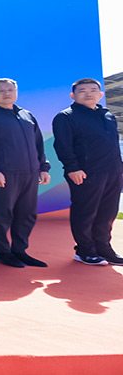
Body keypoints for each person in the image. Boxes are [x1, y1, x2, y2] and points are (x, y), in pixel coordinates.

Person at [0, 78, 51, 268]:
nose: (6, 93)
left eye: (10, 90)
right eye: (1, 90)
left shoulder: (27, 115)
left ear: (16, 92)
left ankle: (19, 251)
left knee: (27, 214)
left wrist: (43, 167)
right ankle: (2, 252)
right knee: (3, 214)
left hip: (31, 173)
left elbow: (38, 144)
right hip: (5, 174)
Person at [51, 78, 123, 266]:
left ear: (100, 94)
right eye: (82, 90)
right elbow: (63, 146)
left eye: (93, 90)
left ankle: (104, 248)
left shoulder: (107, 115)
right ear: (73, 95)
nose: (88, 93)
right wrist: (72, 168)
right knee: (86, 212)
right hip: (85, 173)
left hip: (113, 172)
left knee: (108, 212)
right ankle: (85, 250)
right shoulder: (66, 117)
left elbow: (113, 145)